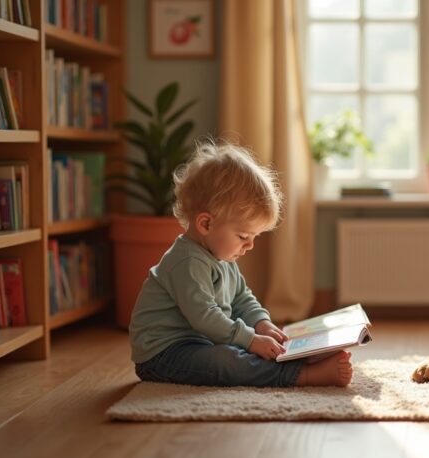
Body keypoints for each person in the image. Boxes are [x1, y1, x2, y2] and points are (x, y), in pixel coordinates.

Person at [130, 140, 352, 387]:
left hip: (202, 342)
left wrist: (261, 324)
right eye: (243, 236)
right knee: (226, 360)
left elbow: (241, 298)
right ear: (206, 224)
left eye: (254, 237)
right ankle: (302, 375)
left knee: (240, 348)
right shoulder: (186, 262)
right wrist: (251, 340)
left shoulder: (221, 256)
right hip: (163, 355)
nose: (250, 245)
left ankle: (298, 358)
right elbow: (205, 317)